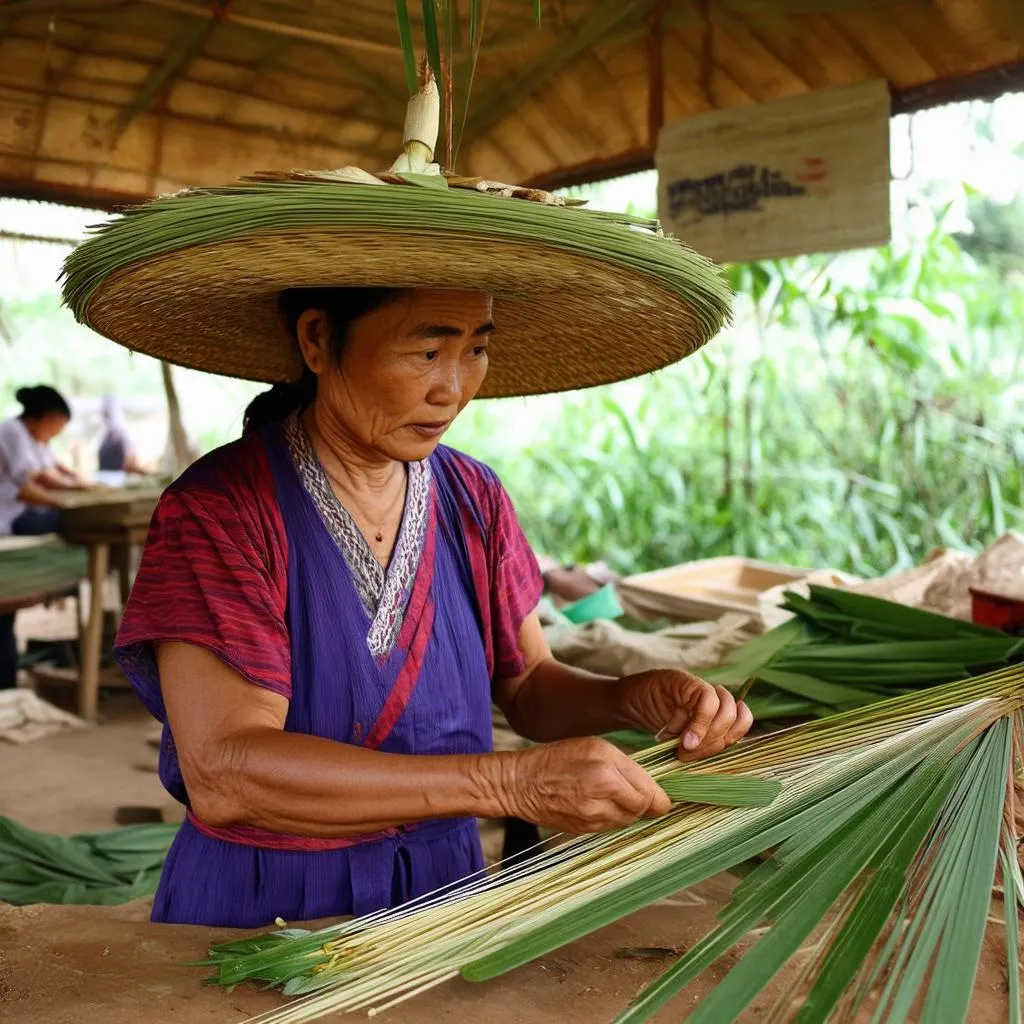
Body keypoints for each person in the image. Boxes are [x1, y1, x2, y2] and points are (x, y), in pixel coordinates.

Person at [60, 88, 741, 930]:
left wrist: (636, 697)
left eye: (476, 349)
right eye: (426, 348)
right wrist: (508, 783)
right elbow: (228, 772)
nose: (453, 388)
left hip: (445, 899)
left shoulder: (473, 497)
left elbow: (527, 688)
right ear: (318, 342)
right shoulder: (222, 511)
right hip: (266, 911)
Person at [0, 385, 84, 689]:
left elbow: (52, 469)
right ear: (48, 417)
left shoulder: (31, 438)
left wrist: (77, 485)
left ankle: (6, 686)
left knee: (4, 621)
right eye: (58, 425)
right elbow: (28, 487)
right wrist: (67, 501)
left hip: (14, 520)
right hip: (10, 522)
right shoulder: (12, 432)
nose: (57, 432)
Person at [97, 393, 147, 474]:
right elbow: (129, 464)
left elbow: (129, 463)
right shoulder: (103, 434)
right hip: (109, 477)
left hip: (116, 477)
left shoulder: (122, 434)